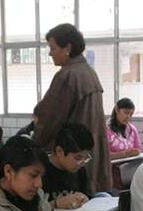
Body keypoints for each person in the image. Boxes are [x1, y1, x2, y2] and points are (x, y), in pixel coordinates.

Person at [33, 23, 110, 194]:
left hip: (73, 155)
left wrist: (34, 146)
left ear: (67, 48)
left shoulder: (67, 75)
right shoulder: (89, 72)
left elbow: (49, 119)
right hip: (91, 152)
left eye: (53, 48)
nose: (50, 53)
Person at [42, 122, 124, 211]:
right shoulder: (40, 172)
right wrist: (55, 204)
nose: (81, 163)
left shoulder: (79, 170)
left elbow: (86, 197)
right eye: (78, 157)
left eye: (86, 157)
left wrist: (85, 199)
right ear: (59, 151)